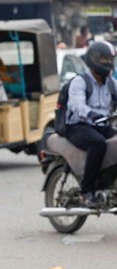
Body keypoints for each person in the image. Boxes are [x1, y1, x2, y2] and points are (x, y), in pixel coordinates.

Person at [65, 41, 117, 207]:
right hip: (78, 126)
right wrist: (90, 114)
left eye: (110, 59)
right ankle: (87, 190)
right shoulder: (80, 81)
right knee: (98, 143)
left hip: (101, 125)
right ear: (93, 59)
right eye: (104, 59)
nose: (108, 63)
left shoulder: (111, 83)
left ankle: (108, 180)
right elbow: (76, 105)